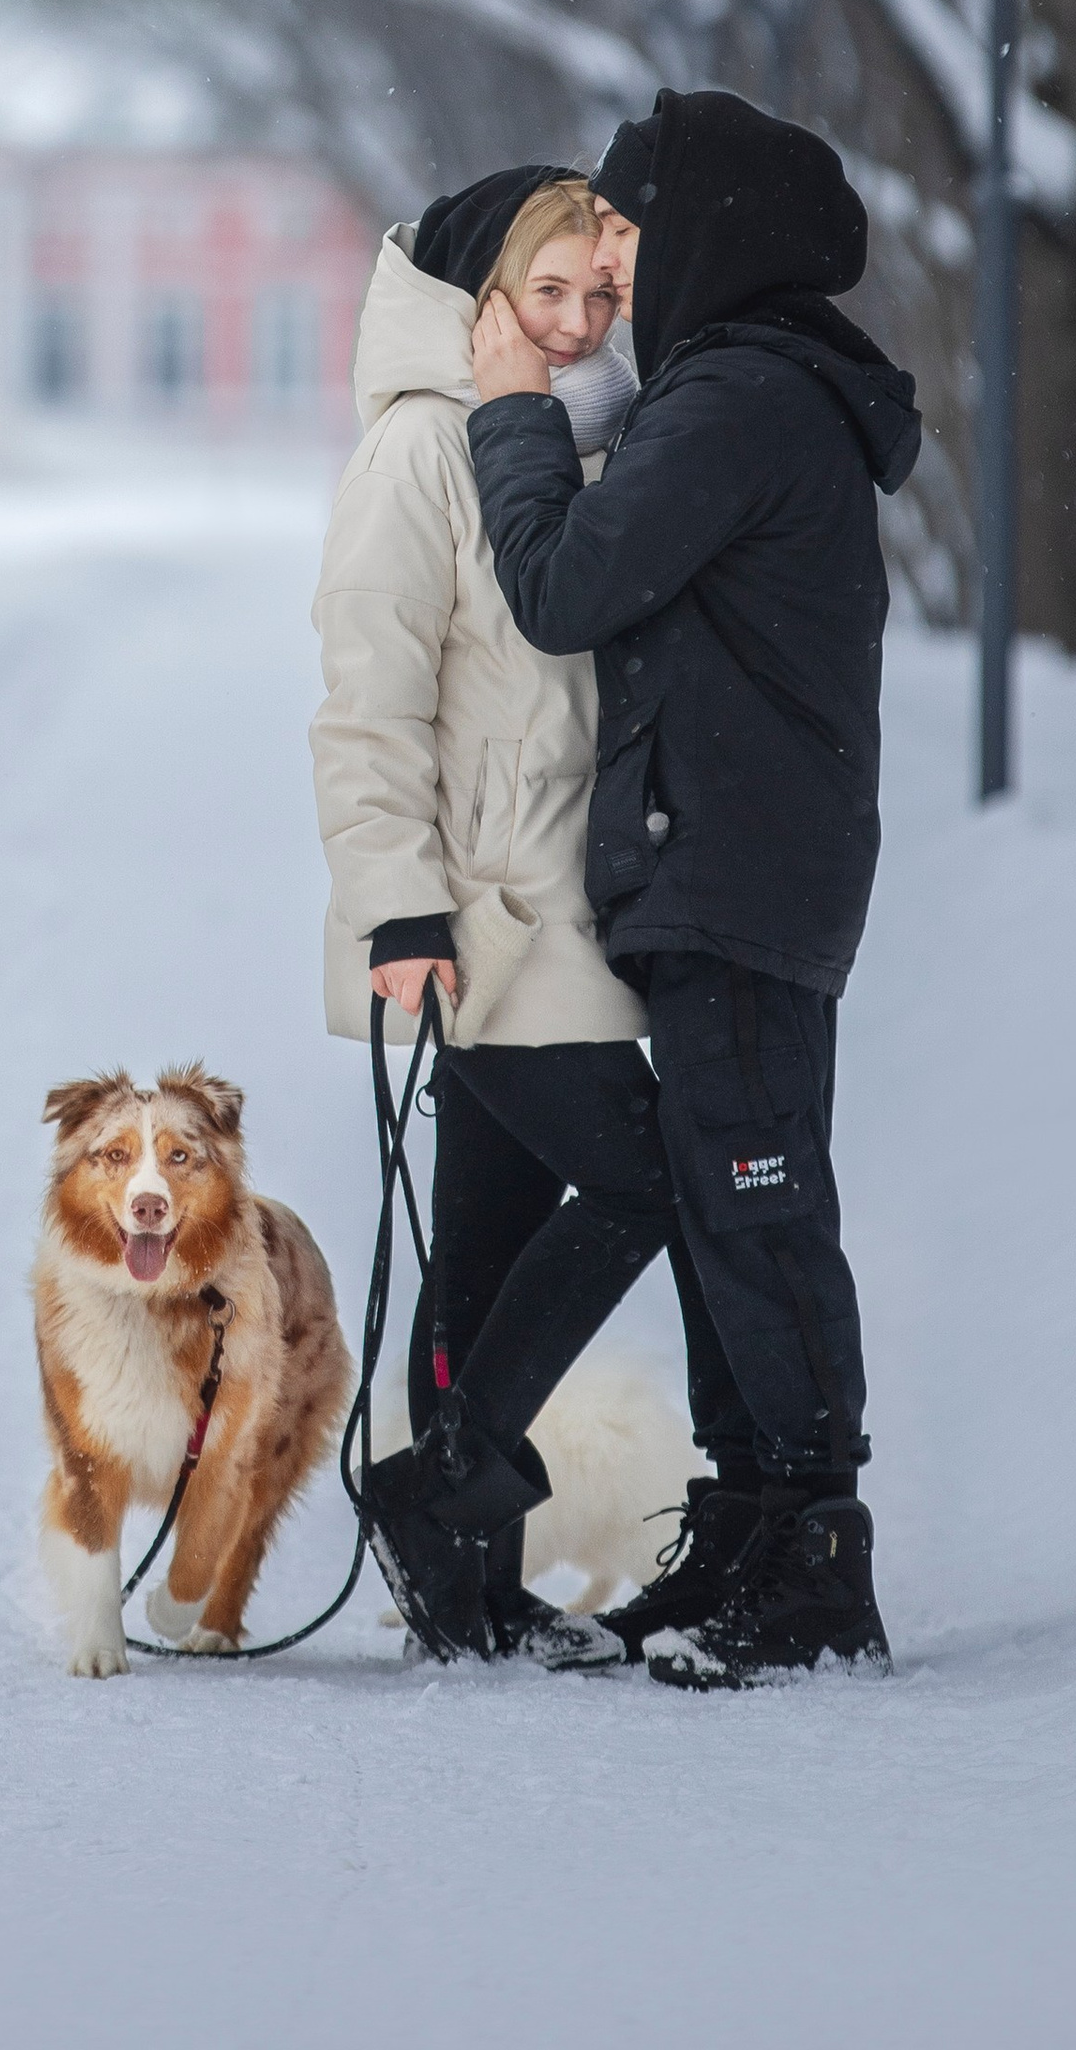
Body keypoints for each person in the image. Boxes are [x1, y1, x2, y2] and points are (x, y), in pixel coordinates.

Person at [466, 87, 922, 1689]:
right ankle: (747, 1528)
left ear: (707, 235)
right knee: (743, 1210)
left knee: (758, 1205)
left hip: (733, 865)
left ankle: (810, 1559)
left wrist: (514, 411)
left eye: (631, 229)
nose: (610, 255)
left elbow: (564, 588)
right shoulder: (752, 391)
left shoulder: (738, 399)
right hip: (730, 860)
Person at [312, 165, 729, 1665]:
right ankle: (442, 1493)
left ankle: (469, 1589)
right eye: (539, 296)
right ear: (475, 299)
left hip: (573, 912)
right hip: (478, 923)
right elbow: (368, 709)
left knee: (482, 1241)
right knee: (654, 1180)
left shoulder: (586, 448)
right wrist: (397, 912)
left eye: (595, 297)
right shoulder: (420, 451)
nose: (569, 324)